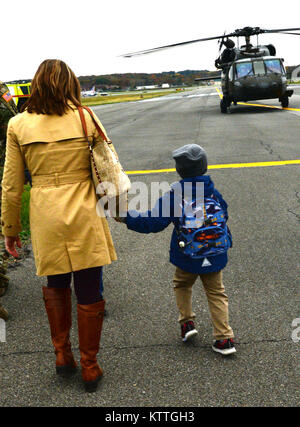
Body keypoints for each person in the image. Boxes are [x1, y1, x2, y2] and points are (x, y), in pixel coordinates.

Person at [1, 59, 118, 392]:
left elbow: (11, 184)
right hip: (84, 209)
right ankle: (91, 365)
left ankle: (62, 355)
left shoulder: (18, 124)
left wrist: (10, 229)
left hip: (45, 211)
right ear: (71, 84)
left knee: (56, 281)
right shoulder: (85, 116)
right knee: (89, 284)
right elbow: (109, 162)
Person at [117, 144, 236, 355]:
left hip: (187, 256)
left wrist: (126, 217)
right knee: (216, 292)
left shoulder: (175, 197)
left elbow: (152, 222)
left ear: (179, 170)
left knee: (182, 284)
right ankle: (224, 338)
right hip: (215, 254)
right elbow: (224, 215)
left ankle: (187, 323)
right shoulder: (213, 193)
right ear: (204, 167)